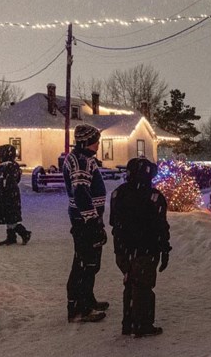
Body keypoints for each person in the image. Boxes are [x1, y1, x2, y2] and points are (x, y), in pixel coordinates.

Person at [109, 157, 171, 337]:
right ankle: (142, 324)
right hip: (145, 249)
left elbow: (113, 221)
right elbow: (161, 226)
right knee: (143, 286)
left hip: (122, 249)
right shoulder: (154, 197)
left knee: (130, 282)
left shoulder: (118, 193)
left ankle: (128, 322)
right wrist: (164, 248)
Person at [63, 123, 109, 323]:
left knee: (89, 261)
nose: (98, 145)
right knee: (85, 263)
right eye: (95, 141)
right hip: (84, 221)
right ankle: (79, 308)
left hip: (85, 219)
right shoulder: (81, 161)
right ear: (87, 142)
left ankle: (87, 299)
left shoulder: (83, 158)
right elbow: (81, 193)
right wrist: (92, 220)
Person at [0, 144, 31, 246]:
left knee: (10, 216)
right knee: (9, 217)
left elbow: (5, 182)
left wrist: (1, 192)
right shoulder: (11, 166)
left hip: (7, 196)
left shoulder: (7, 167)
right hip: (8, 195)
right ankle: (11, 237)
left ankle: (23, 233)